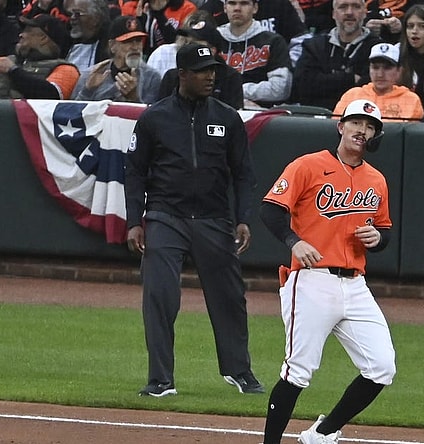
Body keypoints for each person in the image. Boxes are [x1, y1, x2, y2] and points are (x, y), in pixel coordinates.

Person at [125, 43, 263, 398]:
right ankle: (160, 379)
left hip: (214, 218)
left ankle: (239, 371)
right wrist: (133, 221)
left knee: (230, 296)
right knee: (160, 294)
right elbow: (135, 172)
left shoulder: (227, 116)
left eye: (214, 70)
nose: (211, 76)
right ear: (182, 74)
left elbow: (244, 174)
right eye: (203, 71)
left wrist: (243, 218)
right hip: (165, 215)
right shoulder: (155, 116)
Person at [259, 98, 396, 444]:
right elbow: (271, 211)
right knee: (298, 372)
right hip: (311, 281)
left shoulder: (376, 180)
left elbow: (384, 234)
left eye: (369, 126)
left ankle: (323, 432)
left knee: (382, 366)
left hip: (355, 285)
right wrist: (293, 241)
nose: (361, 130)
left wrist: (378, 238)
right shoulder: (308, 165)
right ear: (341, 126)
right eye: (356, 123)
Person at [290, 0, 382, 110]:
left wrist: (325, 81)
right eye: (343, 7)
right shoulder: (314, 45)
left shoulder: (378, 48)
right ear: (334, 14)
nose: (349, 12)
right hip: (316, 119)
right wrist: (350, 79)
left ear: (364, 12)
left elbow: (374, 89)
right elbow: (302, 86)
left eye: (356, 7)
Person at [0, 13, 79, 99]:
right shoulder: (10, 61)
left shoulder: (66, 69)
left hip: (29, 120)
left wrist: (14, 71)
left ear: (43, 38)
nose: (21, 35)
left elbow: (51, 95)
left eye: (28, 30)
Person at [218, 0, 293, 108]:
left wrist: (238, 91)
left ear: (255, 8)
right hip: (218, 110)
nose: (237, 8)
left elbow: (280, 88)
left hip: (261, 112)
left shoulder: (273, 41)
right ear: (225, 8)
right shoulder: (214, 39)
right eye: (232, 3)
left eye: (244, 3)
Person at [155, 17, 244, 108]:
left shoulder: (230, 77)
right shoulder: (173, 76)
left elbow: (232, 116)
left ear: (212, 51)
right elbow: (159, 111)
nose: (188, 47)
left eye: (194, 44)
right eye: (187, 42)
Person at [72, 15, 161, 103]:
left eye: (138, 41)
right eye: (128, 41)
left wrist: (134, 99)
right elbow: (71, 114)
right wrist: (87, 91)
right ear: (112, 45)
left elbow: (153, 116)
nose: (135, 47)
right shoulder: (90, 75)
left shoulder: (151, 77)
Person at [334, 42, 424, 121]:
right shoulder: (352, 96)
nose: (380, 74)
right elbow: (335, 127)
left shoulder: (411, 100)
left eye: (387, 68)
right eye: (375, 67)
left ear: (399, 71)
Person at [122, 0, 197, 57]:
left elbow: (180, 42)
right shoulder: (133, 6)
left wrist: (159, 14)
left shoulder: (187, 8)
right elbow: (129, 42)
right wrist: (140, 21)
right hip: (142, 57)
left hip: (172, 58)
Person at [62, 0, 111, 74]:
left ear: (96, 19)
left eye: (77, 14)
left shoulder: (108, 45)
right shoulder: (66, 42)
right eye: (71, 14)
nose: (72, 18)